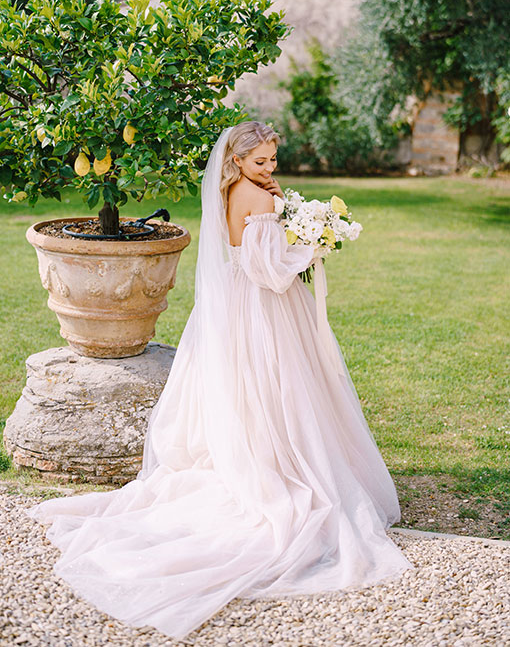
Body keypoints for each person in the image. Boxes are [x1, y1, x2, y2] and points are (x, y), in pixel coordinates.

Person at [26, 121, 414, 640]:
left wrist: (287, 213)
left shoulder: (236, 190)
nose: (269, 169)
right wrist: (313, 246)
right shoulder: (255, 197)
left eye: (273, 161)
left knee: (248, 388)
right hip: (262, 306)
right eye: (260, 162)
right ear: (236, 161)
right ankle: (280, 462)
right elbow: (269, 272)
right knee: (276, 385)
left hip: (232, 306)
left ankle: (263, 450)